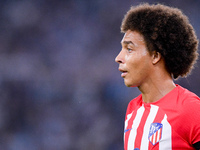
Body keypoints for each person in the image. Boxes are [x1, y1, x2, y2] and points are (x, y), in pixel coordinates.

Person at [115, 3, 200, 150]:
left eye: (129, 49)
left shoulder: (191, 109)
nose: (118, 57)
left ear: (155, 56)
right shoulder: (132, 109)